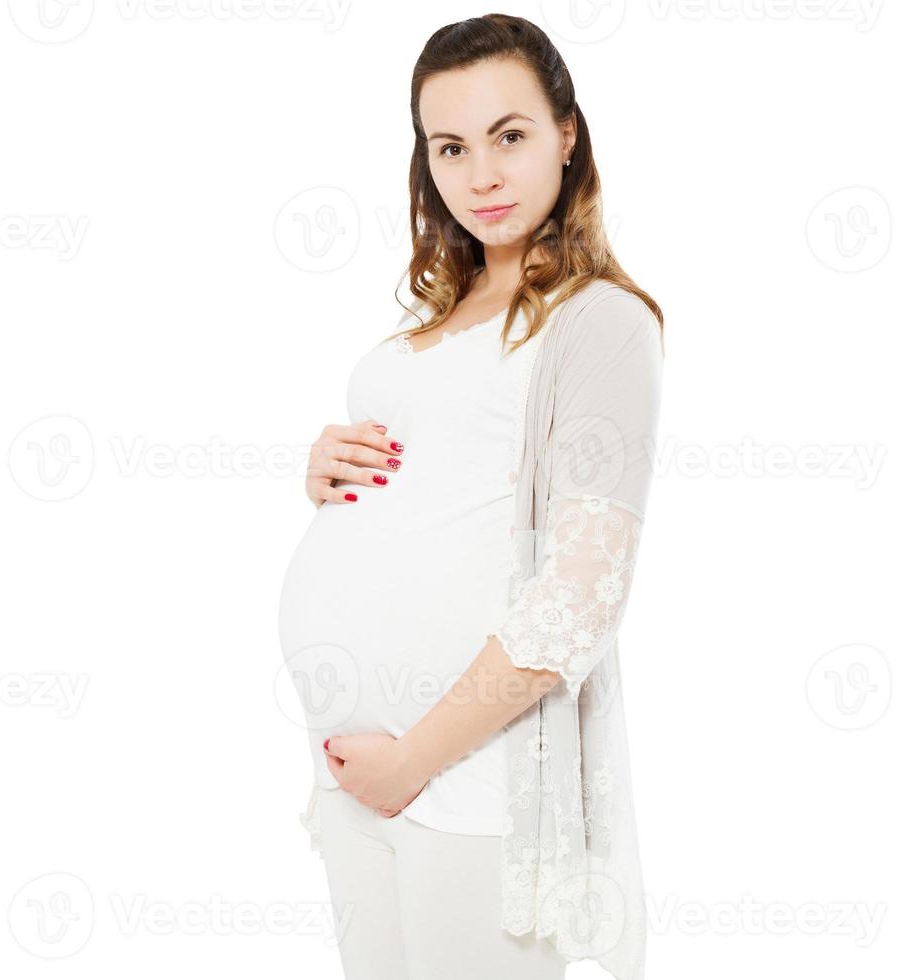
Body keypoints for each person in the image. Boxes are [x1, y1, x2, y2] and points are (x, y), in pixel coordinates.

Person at [277, 14, 666, 980]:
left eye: (509, 136)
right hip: (358, 773)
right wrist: (325, 477)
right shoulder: (435, 321)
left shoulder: (599, 323)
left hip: (475, 773)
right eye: (449, 146)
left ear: (566, 134)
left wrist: (413, 759)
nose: (480, 176)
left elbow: (581, 598)